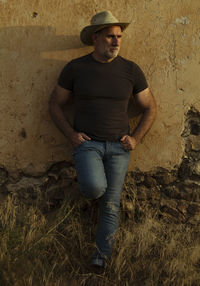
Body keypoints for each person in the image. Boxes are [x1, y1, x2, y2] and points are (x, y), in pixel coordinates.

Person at [49, 10, 157, 272]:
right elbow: (54, 105)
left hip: (120, 148)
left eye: (119, 36)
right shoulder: (76, 68)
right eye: (110, 36)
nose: (117, 42)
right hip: (88, 145)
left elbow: (150, 108)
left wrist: (136, 138)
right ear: (96, 38)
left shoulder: (131, 70)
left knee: (111, 204)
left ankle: (101, 257)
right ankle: (92, 192)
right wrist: (71, 135)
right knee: (96, 188)